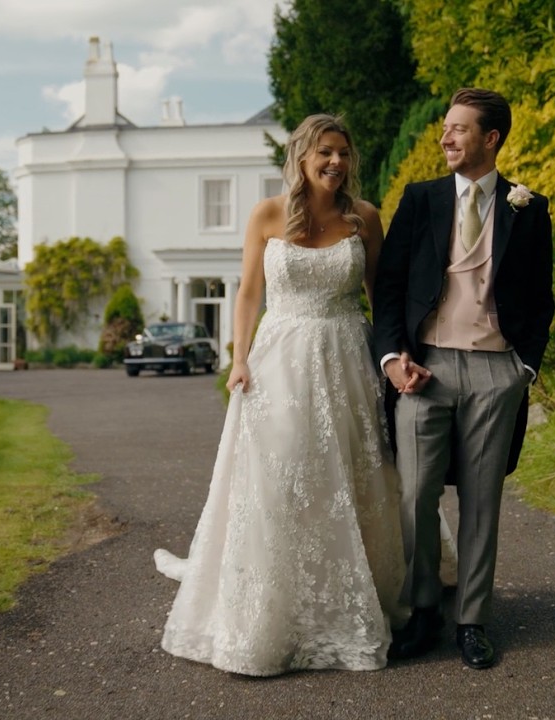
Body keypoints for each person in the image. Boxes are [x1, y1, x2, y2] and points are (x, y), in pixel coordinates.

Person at [154, 114, 454, 676]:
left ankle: (365, 594)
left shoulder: (364, 218)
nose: (336, 162)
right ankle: (273, 605)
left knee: (354, 473)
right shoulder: (266, 214)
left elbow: (381, 298)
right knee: (283, 475)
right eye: (325, 152)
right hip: (279, 361)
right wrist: (239, 360)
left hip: (346, 359)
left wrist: (399, 357)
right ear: (301, 156)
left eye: (344, 152)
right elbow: (248, 294)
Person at [374, 88, 555, 670]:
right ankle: (424, 609)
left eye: (458, 129)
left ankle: (472, 620)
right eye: (446, 128)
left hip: (495, 369)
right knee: (414, 494)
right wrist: (392, 359)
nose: (446, 138)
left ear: (491, 138)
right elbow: (391, 290)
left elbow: (540, 300)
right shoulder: (419, 200)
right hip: (423, 367)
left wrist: (522, 369)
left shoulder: (530, 207)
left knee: (483, 501)